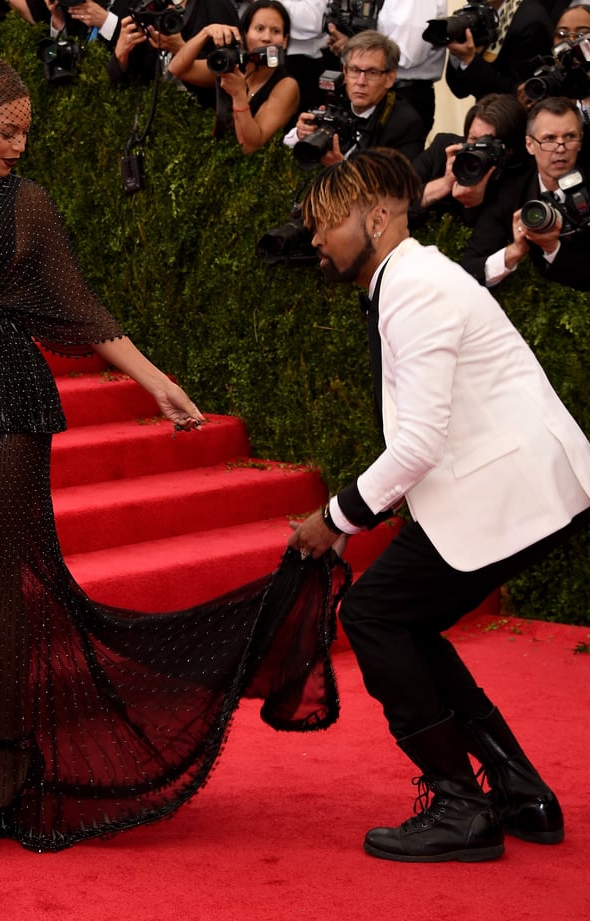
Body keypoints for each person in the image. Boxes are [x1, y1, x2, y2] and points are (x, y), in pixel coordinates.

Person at [0, 53, 347, 853]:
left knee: (2, 584)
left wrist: (159, 384)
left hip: (9, 394)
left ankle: (4, 769)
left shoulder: (28, 204)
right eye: (7, 132)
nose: (20, 147)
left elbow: (83, 312)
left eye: (28, 132)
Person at [288, 147, 590, 862]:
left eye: (327, 223)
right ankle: (519, 792)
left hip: (511, 487)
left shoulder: (413, 286)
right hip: (522, 483)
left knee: (374, 614)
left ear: (381, 215)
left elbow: (418, 443)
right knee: (406, 620)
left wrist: (333, 519)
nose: (316, 239)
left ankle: (460, 803)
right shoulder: (415, 275)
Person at [460, 95, 589, 290]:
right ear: (529, 145)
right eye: (549, 139)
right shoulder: (510, 192)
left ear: (580, 141)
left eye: (570, 137)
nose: (560, 148)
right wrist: (514, 251)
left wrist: (552, 248)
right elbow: (468, 270)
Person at [167, 0, 301, 152]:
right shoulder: (234, 66)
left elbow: (250, 147)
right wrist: (205, 33)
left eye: (276, 31)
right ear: (244, 34)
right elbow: (177, 68)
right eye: (259, 28)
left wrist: (238, 95)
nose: (267, 38)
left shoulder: (286, 86)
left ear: (285, 41)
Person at [284, 30, 426, 165]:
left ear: (390, 78)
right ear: (345, 72)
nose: (361, 81)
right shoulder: (334, 99)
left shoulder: (406, 125)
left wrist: (341, 168)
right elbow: (287, 147)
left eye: (372, 72)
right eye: (355, 70)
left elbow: (400, 187)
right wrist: (300, 133)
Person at [323, 0, 448, 133]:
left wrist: (352, 48)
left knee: (384, 153)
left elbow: (407, 54)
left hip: (403, 94)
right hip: (366, 90)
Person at [411, 92, 528, 225]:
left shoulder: (520, 178)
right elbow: (393, 203)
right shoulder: (443, 150)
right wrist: (445, 183)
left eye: (488, 144)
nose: (478, 149)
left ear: (510, 149)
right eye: (473, 139)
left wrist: (473, 206)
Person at [107, 0, 241, 91]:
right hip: (150, 118)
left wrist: (181, 48)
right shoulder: (146, 6)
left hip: (200, 119)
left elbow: (231, 71)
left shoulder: (216, 5)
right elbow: (123, 79)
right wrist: (121, 52)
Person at [444, 0, 553, 101]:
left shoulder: (530, 19)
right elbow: (459, 90)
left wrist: (470, 60)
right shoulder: (475, 14)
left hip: (515, 116)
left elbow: (520, 93)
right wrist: (458, 52)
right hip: (485, 113)